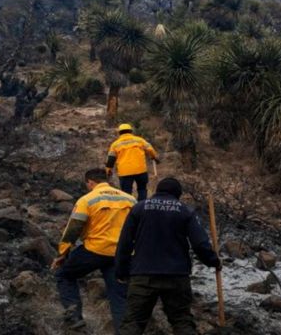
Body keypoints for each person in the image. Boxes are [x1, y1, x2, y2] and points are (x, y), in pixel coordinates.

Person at [115, 177, 222, 335]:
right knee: (181, 321)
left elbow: (124, 243)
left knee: (133, 323)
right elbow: (200, 244)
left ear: (157, 191)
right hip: (176, 275)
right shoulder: (185, 211)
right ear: (178, 194)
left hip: (142, 275)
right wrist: (214, 261)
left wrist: (121, 270)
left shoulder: (139, 208)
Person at [52, 168, 137, 332]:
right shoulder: (130, 199)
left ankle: (75, 318)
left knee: (64, 275)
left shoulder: (87, 200)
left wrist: (62, 253)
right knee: (119, 296)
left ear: (90, 182)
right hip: (122, 254)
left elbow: (73, 229)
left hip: (95, 250)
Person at [105, 123, 158, 201]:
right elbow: (150, 149)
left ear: (119, 133)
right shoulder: (139, 140)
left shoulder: (115, 144)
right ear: (131, 131)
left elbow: (111, 159)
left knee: (126, 193)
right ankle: (141, 205)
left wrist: (108, 170)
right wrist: (154, 157)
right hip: (140, 170)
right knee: (142, 189)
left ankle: (129, 206)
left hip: (125, 172)